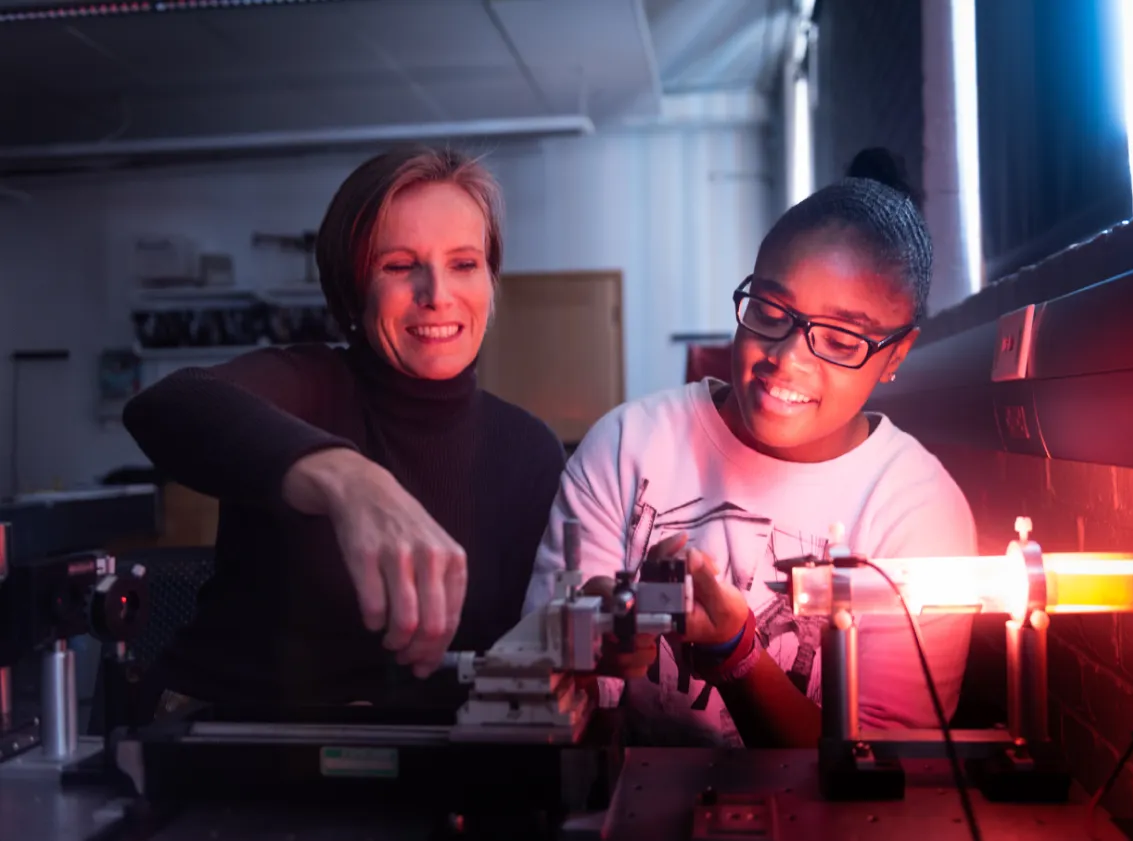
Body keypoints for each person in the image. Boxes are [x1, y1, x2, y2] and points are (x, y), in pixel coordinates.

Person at [523, 148, 977, 747]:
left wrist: (737, 656)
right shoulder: (628, 446)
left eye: (840, 340)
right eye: (769, 311)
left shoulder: (916, 510)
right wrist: (585, 649)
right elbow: (541, 700)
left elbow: (883, 770)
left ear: (895, 354)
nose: (787, 359)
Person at [124, 145, 565, 712]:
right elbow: (168, 404)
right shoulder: (308, 385)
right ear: (354, 289)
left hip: (432, 754)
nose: (437, 295)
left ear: (491, 281)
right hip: (232, 740)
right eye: (399, 266)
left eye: (463, 264)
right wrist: (348, 479)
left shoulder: (531, 450)